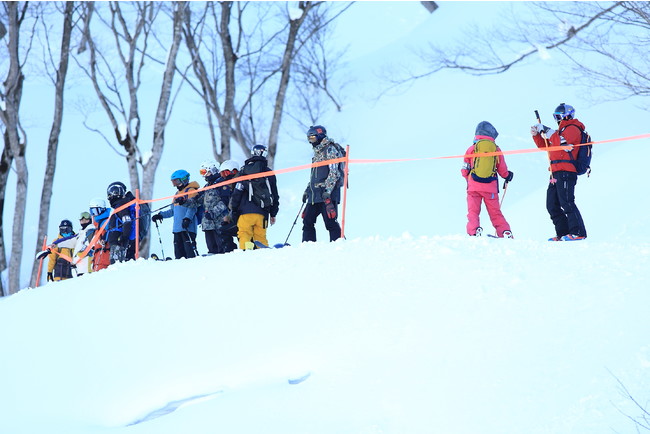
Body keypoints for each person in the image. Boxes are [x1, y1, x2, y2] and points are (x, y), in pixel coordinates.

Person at [531, 103, 587, 241]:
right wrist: (537, 135)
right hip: (555, 172)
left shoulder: (573, 128)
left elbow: (563, 143)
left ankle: (578, 232)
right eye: (555, 117)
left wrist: (547, 130)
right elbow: (547, 147)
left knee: (567, 202)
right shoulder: (559, 132)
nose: (557, 119)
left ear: (567, 115)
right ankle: (563, 233)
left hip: (566, 171)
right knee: (552, 204)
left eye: (558, 116)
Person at [461, 121, 514, 238]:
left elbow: (464, 170)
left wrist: (468, 180)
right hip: (490, 188)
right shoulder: (496, 149)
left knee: (473, 212)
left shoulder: (472, 149)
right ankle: (505, 232)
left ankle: (474, 231)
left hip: (473, 187)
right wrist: (507, 176)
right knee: (495, 213)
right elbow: (502, 169)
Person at [229, 145, 279, 249]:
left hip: (244, 213)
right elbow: (274, 195)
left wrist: (233, 209)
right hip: (262, 213)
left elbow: (236, 192)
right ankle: (263, 255)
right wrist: (273, 213)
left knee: (244, 234)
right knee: (260, 237)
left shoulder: (243, 172)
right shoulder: (269, 173)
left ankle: (246, 251)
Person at [302, 125, 343, 242]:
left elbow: (334, 172)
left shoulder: (330, 149)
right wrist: (307, 190)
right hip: (314, 194)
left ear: (320, 136)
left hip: (326, 194)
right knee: (307, 221)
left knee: (330, 222)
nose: (311, 141)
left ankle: (338, 244)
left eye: (313, 138)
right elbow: (314, 176)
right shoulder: (317, 154)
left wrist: (328, 190)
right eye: (309, 139)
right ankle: (308, 246)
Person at [152, 170, 200, 259]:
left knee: (189, 253)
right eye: (173, 182)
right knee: (179, 253)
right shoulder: (177, 194)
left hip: (187, 228)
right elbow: (172, 211)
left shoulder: (191, 191)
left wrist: (187, 219)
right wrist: (161, 215)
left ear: (184, 180)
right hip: (177, 229)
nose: (175, 184)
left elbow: (193, 207)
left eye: (177, 181)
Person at [196, 159, 230, 255]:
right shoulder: (207, 186)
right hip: (208, 223)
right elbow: (198, 200)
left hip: (219, 222)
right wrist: (185, 200)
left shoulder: (221, 183)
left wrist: (213, 213)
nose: (203, 175)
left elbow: (225, 201)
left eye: (205, 172)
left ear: (213, 170)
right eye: (201, 172)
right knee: (212, 248)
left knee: (222, 247)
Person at [106, 181, 137, 263]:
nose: (109, 197)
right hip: (118, 240)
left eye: (111, 193)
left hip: (118, 241)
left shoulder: (121, 206)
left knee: (116, 264)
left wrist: (123, 237)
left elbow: (127, 221)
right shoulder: (121, 205)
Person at [216, 159, 240, 253]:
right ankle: (230, 251)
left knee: (242, 233)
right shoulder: (229, 187)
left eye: (226, 173)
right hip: (235, 216)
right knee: (223, 229)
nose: (224, 176)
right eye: (222, 174)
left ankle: (249, 249)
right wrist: (228, 218)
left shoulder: (240, 184)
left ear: (234, 171)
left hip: (243, 216)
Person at [89, 197, 112, 272]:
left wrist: (105, 239)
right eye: (92, 212)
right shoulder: (97, 225)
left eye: (96, 211)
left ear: (102, 210)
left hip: (104, 259)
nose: (94, 214)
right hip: (97, 260)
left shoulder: (105, 222)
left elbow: (110, 232)